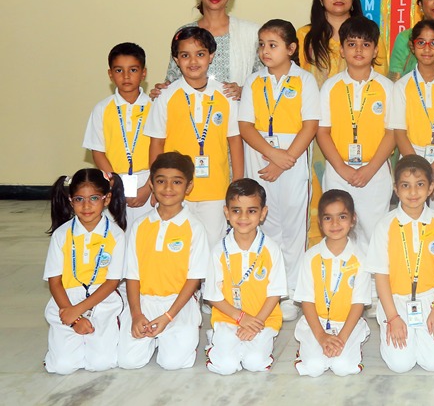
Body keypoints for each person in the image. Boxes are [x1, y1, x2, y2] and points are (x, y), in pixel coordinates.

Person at [238, 19, 320, 321]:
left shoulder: (305, 81)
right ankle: (271, 289)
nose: (265, 51)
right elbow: (245, 125)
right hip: (261, 157)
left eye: (272, 45)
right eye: (262, 45)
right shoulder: (253, 81)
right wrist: (273, 156)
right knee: (266, 223)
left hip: (293, 161)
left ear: (291, 48)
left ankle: (292, 292)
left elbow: (310, 125)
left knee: (293, 226)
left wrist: (287, 159)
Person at [298, 0, 387, 245]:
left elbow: (380, 86)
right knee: (324, 205)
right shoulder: (305, 36)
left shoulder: (371, 35)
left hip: (367, 139)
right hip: (315, 134)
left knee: (371, 224)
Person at [145, 27, 242, 249]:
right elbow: (156, 142)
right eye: (185, 55)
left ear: (211, 56)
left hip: (215, 190)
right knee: (178, 245)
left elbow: (235, 140)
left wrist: (236, 182)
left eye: (200, 54)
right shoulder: (166, 96)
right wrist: (156, 185)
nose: (193, 61)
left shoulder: (225, 95)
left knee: (211, 246)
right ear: (176, 60)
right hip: (174, 189)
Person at [118, 152, 209, 370]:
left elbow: (194, 279)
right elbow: (132, 275)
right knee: (128, 362)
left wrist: (168, 317)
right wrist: (136, 314)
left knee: (172, 363)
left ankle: (178, 335)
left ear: (188, 186)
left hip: (178, 304)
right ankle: (152, 336)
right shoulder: (140, 226)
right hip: (143, 302)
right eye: (161, 181)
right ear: (151, 184)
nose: (168, 188)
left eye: (176, 182)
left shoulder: (195, 228)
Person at [365, 155, 434, 373]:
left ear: (431, 187)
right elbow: (381, 276)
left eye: (420, 185)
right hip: (396, 302)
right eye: (406, 185)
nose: (413, 192)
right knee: (400, 365)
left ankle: (433, 342)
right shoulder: (385, 225)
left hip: (432, 300)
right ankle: (400, 336)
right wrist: (393, 317)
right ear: (395, 189)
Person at [317, 16, 395, 237]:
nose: (358, 50)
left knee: (374, 234)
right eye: (352, 44)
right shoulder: (330, 87)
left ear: (376, 50)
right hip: (338, 172)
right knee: (339, 233)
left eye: (366, 44)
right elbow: (322, 132)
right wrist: (342, 169)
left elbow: (392, 133)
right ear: (342, 50)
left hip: (375, 172)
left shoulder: (387, 87)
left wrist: (370, 169)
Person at [43, 169, 127, 374]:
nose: (86, 206)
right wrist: (74, 318)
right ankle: (59, 350)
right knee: (62, 366)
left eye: (94, 198)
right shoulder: (61, 235)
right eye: (79, 199)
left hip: (102, 300)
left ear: (107, 199)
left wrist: (79, 311)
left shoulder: (116, 235)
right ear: (70, 200)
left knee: (101, 363)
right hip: (66, 303)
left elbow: (112, 282)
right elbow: (55, 281)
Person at [203, 179, 286, 375]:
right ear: (226, 212)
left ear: (263, 213)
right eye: (236, 210)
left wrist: (255, 323)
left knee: (255, 363)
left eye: (252, 211)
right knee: (226, 366)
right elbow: (213, 296)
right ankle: (215, 341)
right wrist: (241, 317)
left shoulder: (271, 250)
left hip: (262, 319)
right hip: (228, 317)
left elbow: (275, 293)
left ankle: (254, 344)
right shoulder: (218, 251)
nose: (243, 217)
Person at [389, 20, 434, 225]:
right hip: (411, 158)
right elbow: (399, 133)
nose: (427, 49)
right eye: (421, 43)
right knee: (411, 216)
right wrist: (420, 170)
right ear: (412, 46)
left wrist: (433, 170)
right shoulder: (401, 86)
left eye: (433, 43)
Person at [293, 189, 371, 377]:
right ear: (320, 222)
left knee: (343, 367)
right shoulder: (311, 257)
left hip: (348, 324)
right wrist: (321, 337)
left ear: (353, 219)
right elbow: (307, 301)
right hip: (317, 323)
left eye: (342, 217)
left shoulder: (360, 259)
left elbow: (358, 304)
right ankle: (305, 349)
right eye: (328, 218)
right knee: (313, 368)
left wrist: (341, 339)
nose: (335, 224)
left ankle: (353, 348)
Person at [157, 0, 260, 100]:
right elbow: (173, 82)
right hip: (191, 110)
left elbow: (265, 82)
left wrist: (244, 91)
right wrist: (161, 92)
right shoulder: (185, 34)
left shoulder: (251, 34)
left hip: (236, 111)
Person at [83, 42, 153, 227]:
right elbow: (97, 152)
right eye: (119, 70)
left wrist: (150, 187)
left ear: (143, 73)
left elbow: (162, 150)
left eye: (133, 70)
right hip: (114, 182)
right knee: (116, 234)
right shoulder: (102, 109)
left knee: (146, 235)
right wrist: (115, 184)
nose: (126, 76)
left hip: (149, 182)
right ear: (110, 74)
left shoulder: (155, 107)